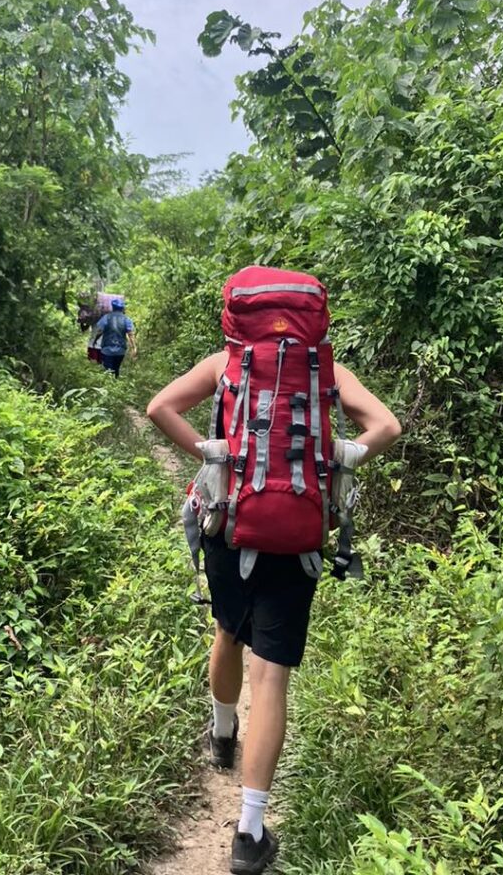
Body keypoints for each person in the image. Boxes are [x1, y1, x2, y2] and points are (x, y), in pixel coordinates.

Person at [146, 271, 401, 875]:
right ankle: (249, 833)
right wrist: (338, 455)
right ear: (315, 320)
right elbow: (386, 426)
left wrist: (213, 453)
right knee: (275, 679)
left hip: (229, 526)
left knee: (226, 633)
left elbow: (159, 408)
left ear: (235, 317)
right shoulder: (326, 373)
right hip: (298, 536)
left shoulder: (225, 365)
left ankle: (222, 732)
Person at [94, 297, 137, 377]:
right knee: (116, 369)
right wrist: (134, 347)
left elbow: (100, 331)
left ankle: (109, 385)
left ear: (112, 307)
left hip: (107, 349)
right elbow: (130, 334)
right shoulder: (126, 319)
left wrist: (95, 341)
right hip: (120, 350)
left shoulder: (106, 317)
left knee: (108, 370)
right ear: (122, 308)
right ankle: (115, 381)